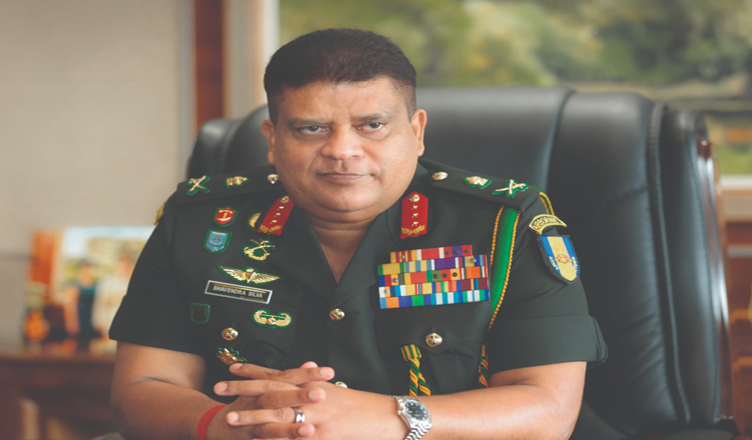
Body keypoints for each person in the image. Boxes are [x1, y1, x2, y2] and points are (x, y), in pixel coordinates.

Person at [109, 28, 607, 440]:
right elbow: (144, 385)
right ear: (272, 140)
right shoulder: (199, 221)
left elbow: (548, 412)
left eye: (372, 125)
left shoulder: (505, 225)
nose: (342, 150)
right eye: (311, 128)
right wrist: (224, 425)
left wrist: (391, 417)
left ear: (416, 131)